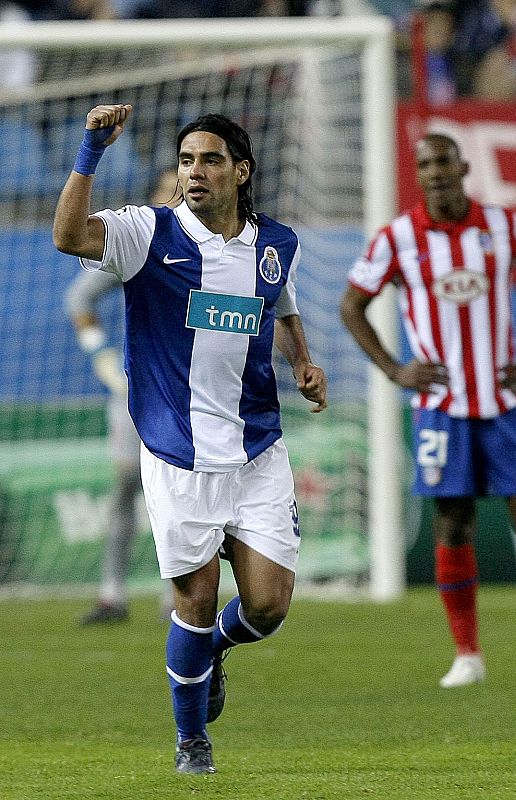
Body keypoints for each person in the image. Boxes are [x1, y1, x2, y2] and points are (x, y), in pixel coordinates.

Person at [53, 103, 327, 774]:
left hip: (257, 447)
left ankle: (215, 653)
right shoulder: (147, 232)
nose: (193, 172)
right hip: (177, 451)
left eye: (207, 159)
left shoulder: (275, 244)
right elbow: (66, 237)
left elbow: (282, 306)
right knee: (196, 598)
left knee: (266, 606)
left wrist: (301, 361)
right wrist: (91, 151)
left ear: (241, 170)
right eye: (184, 161)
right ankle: (192, 742)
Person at [340, 132, 516, 689]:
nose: (435, 171)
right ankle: (467, 654)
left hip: (503, 403)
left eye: (443, 161)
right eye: (424, 164)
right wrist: (396, 371)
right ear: (417, 174)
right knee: (453, 524)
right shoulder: (397, 238)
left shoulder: (504, 226)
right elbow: (352, 306)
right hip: (440, 409)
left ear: (463, 166)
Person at [64, 167, 179, 625]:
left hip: (191, 393)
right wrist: (102, 356)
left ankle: (177, 597)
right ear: (151, 197)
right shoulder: (138, 245)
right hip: (137, 391)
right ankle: (112, 594)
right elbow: (79, 300)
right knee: (127, 485)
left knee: (181, 493)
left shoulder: (213, 249)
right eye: (166, 190)